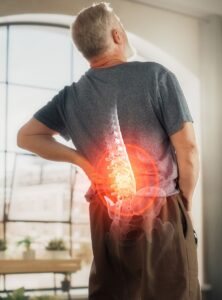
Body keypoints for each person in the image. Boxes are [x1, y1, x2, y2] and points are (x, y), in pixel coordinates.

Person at [17, 2, 201, 299]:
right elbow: (188, 148)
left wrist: (84, 162)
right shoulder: (155, 76)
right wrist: (185, 205)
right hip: (161, 211)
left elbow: (26, 136)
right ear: (117, 35)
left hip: (104, 216)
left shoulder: (70, 97)